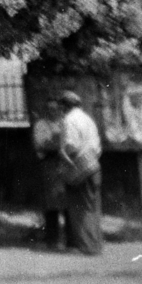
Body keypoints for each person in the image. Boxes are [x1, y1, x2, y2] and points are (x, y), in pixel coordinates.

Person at [58, 89, 104, 255]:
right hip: (94, 165)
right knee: (92, 208)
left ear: (64, 106)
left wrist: (63, 155)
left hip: (78, 168)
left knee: (79, 208)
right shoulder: (88, 119)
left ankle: (86, 246)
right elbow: (97, 146)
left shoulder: (68, 120)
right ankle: (96, 244)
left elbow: (71, 144)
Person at [31, 97, 67, 250]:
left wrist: (59, 143)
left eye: (56, 109)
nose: (53, 112)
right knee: (51, 204)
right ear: (46, 111)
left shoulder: (63, 123)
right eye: (50, 109)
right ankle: (52, 240)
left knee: (67, 203)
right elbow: (42, 145)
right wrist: (59, 143)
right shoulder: (41, 125)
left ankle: (70, 238)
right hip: (49, 166)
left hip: (64, 166)